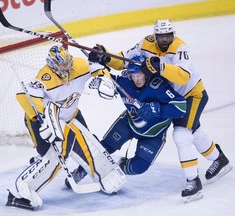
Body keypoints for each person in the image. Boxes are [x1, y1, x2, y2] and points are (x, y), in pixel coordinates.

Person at [87, 19, 233, 202]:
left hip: (190, 95)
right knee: (194, 131)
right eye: (161, 36)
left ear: (173, 35)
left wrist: (160, 67)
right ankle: (219, 159)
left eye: (168, 36)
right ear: (155, 36)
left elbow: (183, 77)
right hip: (167, 95)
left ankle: (193, 182)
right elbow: (125, 60)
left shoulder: (180, 49)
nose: (165, 39)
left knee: (182, 134)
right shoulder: (146, 43)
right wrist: (106, 56)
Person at [6, 45, 127, 210]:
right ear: (53, 66)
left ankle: (104, 174)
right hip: (44, 120)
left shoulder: (78, 65)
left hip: (71, 117)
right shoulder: (45, 77)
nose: (67, 67)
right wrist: (43, 118)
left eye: (67, 63)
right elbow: (22, 95)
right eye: (62, 65)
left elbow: (98, 69)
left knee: (86, 144)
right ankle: (18, 193)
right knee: (50, 157)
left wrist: (101, 76)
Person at [65, 55, 186, 188]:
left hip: (153, 135)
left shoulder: (158, 86)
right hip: (128, 124)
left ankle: (117, 169)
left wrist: (156, 108)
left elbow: (181, 107)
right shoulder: (124, 82)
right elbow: (107, 77)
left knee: (139, 167)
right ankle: (81, 171)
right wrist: (98, 64)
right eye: (133, 75)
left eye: (139, 75)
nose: (136, 79)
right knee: (103, 149)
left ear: (146, 73)